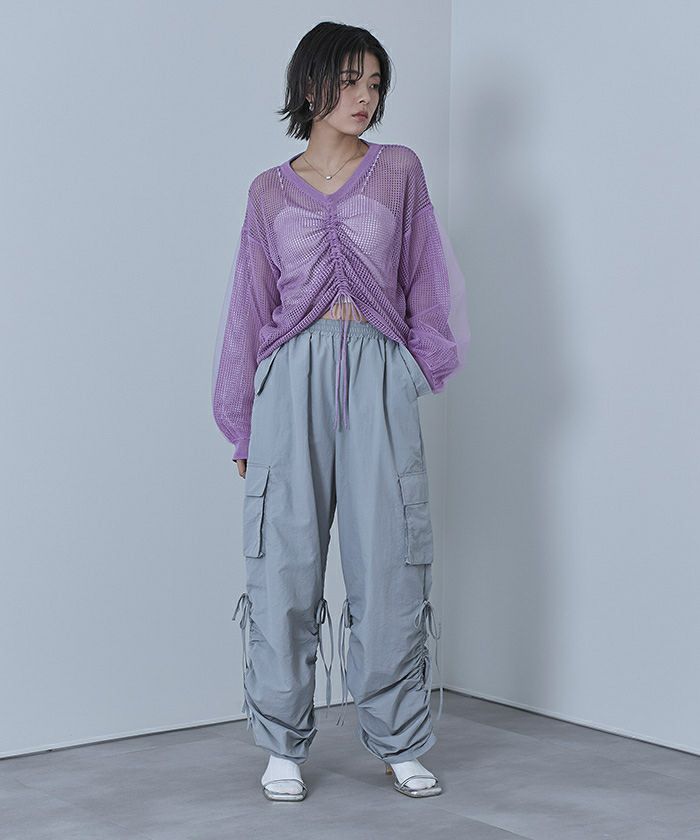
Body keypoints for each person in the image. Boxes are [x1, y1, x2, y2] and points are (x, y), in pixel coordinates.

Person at [211, 21, 470, 802]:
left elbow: (426, 276)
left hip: (378, 376)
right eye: (351, 80)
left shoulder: (398, 171)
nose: (366, 97)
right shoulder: (267, 190)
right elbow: (249, 306)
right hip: (289, 383)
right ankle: (282, 743)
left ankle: (399, 739)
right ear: (311, 84)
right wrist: (242, 423)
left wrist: (413, 369)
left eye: (375, 83)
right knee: (284, 562)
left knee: (390, 562)